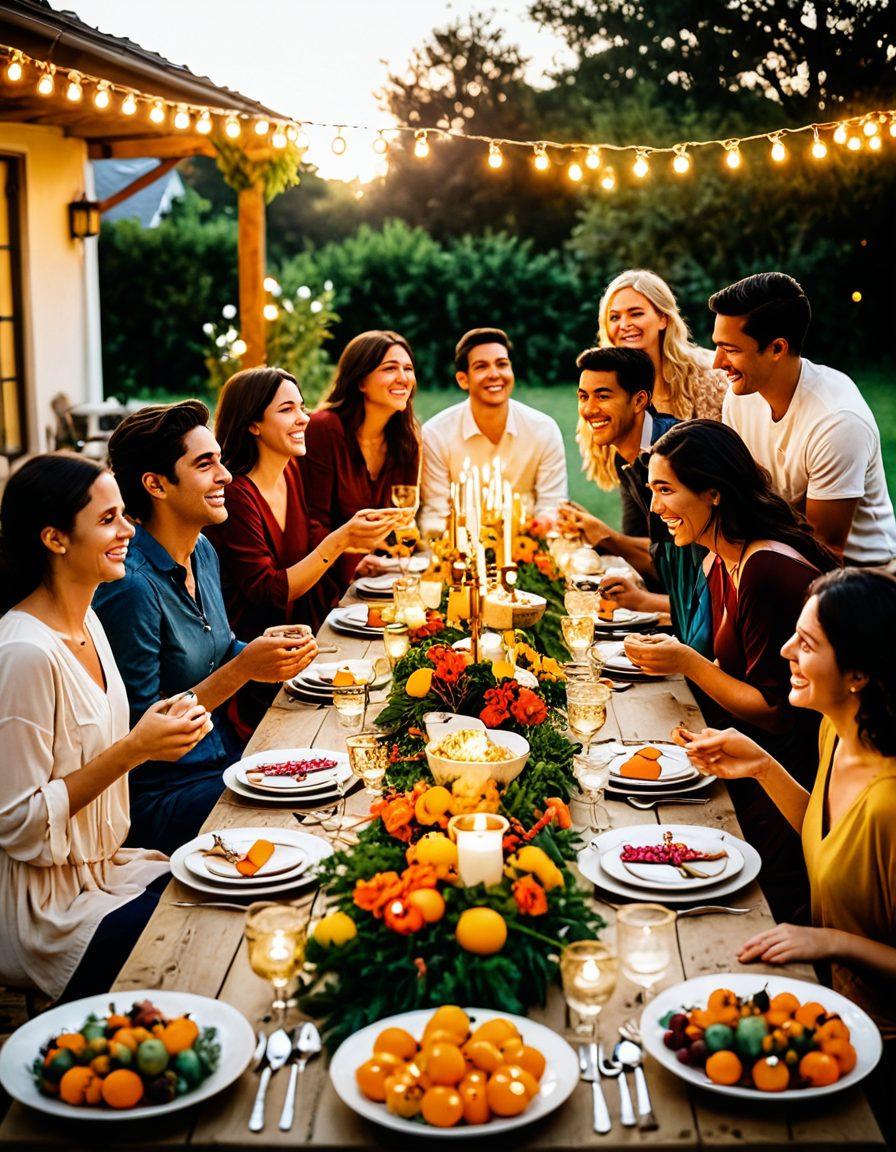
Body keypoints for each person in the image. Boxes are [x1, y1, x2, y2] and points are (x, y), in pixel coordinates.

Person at [677, 568, 896, 1142]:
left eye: (808, 643)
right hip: (820, 996)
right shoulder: (838, 732)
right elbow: (829, 844)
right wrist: (761, 765)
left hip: (872, 1053)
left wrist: (831, 941)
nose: (785, 650)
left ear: (859, 674)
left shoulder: (891, 804)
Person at [0, 454, 211, 1000]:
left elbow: (97, 745)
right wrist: (134, 750)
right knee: (191, 938)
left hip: (109, 868)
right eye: (108, 519)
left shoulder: (89, 618)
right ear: (55, 539)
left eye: (124, 514)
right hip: (47, 905)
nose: (128, 530)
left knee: (222, 894)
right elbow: (17, 822)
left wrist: (154, 730)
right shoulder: (24, 652)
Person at [625, 419, 838, 921]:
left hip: (793, 778)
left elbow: (775, 712)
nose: (654, 507)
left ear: (713, 493)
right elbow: (734, 666)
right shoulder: (722, 558)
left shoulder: (765, 568)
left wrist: (687, 662)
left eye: (665, 490)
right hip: (748, 752)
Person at [93, 401, 317, 856]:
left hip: (224, 757)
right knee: (306, 823)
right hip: (164, 794)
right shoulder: (131, 588)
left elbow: (216, 647)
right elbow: (140, 732)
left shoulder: (203, 552)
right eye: (204, 464)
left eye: (218, 459)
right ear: (155, 484)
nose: (226, 476)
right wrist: (244, 668)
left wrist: (261, 651)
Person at [208, 366, 402, 735]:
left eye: (302, 407)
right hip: (256, 677)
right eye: (287, 410)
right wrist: (340, 541)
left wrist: (355, 558)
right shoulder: (235, 495)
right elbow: (269, 590)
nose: (303, 419)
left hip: (301, 649)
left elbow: (308, 539)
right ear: (253, 424)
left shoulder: (289, 471)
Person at [712, 271, 896, 565]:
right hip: (780, 551)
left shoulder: (837, 421)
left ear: (777, 348)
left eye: (731, 350)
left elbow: (826, 550)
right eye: (718, 346)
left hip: (862, 577)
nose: (717, 363)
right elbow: (739, 499)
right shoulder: (739, 398)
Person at [580, 269, 728, 493]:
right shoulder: (604, 385)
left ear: (662, 318)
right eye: (614, 317)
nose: (624, 324)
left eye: (635, 313)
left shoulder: (710, 377)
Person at [302, 331, 421, 593]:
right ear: (360, 382)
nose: (403, 377)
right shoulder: (324, 428)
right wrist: (353, 561)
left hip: (379, 579)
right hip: (321, 580)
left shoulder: (406, 441)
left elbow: (401, 520)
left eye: (408, 368)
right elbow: (312, 522)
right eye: (390, 368)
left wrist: (392, 556)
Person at [419, 327, 568, 531]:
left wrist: (541, 527)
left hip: (529, 548)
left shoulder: (543, 429)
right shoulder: (436, 434)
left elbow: (552, 506)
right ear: (463, 379)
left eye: (502, 364)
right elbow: (435, 513)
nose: (495, 374)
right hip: (460, 552)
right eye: (481, 367)